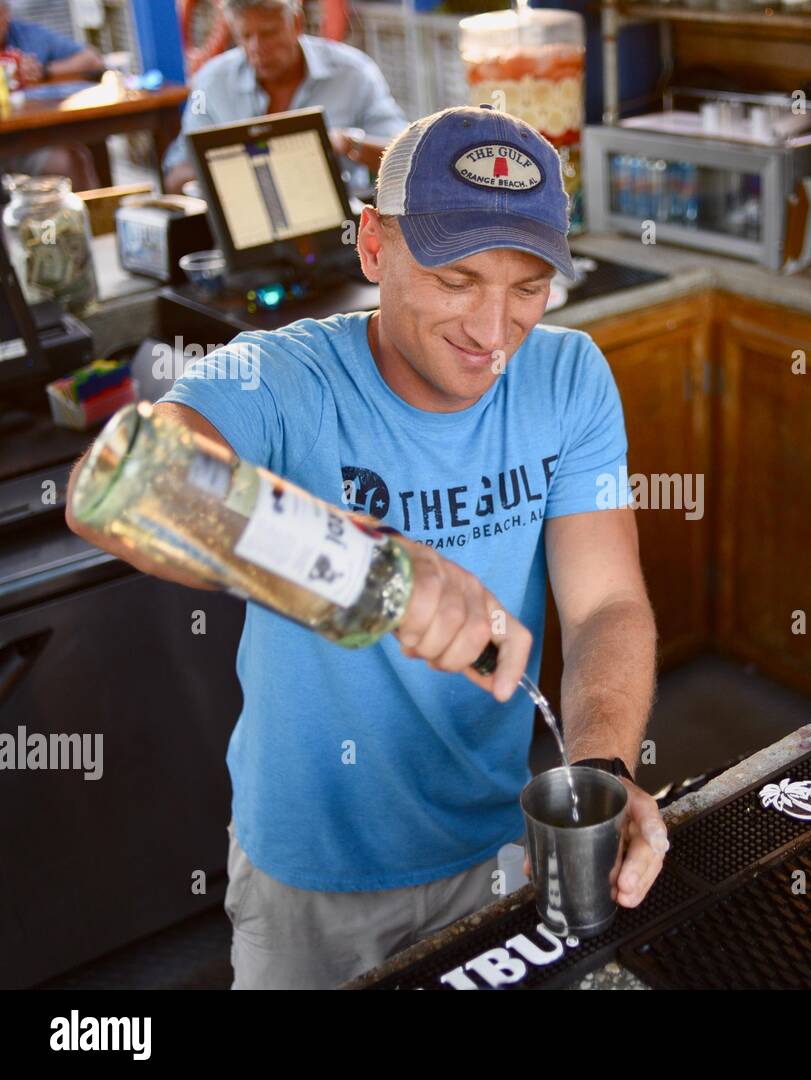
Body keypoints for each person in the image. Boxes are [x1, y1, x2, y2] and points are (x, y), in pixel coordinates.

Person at [67, 105, 667, 990]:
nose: (494, 332)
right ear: (375, 245)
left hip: (499, 845)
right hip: (311, 875)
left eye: (529, 286)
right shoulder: (276, 374)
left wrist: (603, 772)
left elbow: (608, 604)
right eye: (458, 280)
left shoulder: (570, 376)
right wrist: (369, 566)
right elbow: (115, 493)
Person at [164, 0, 407, 194]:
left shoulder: (355, 72)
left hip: (341, 230)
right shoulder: (210, 82)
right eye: (245, 36)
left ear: (297, 22)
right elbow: (176, 175)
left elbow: (406, 157)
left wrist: (347, 143)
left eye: (269, 33)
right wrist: (227, 166)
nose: (257, 47)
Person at [0, 0, 104, 189]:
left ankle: (98, 214)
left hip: (27, 142)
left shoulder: (26, 36)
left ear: (6, 14)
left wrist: (44, 71)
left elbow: (92, 60)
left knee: (74, 159)